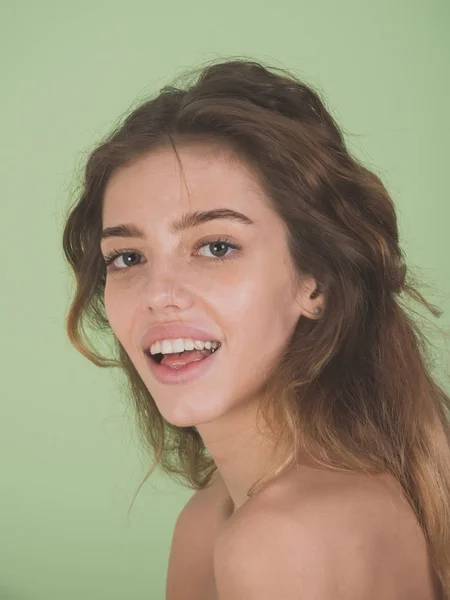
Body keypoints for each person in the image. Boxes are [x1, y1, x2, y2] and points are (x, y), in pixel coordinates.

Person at [61, 58, 449, 599]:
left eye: (216, 247)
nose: (158, 294)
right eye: (127, 257)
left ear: (314, 283)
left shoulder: (279, 538)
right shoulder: (211, 518)